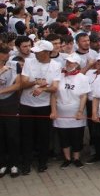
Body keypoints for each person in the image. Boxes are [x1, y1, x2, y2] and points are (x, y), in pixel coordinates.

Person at [19, 40, 61, 174]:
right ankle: (26, 163)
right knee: (26, 135)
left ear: (47, 53)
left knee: (43, 135)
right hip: (26, 104)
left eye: (39, 52)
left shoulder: (55, 65)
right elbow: (23, 83)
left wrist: (43, 89)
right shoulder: (29, 62)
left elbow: (54, 87)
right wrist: (35, 82)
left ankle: (42, 162)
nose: (35, 54)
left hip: (44, 105)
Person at [51, 54, 90, 168]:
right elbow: (53, 94)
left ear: (77, 64)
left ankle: (77, 158)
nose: (68, 64)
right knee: (63, 137)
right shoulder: (59, 76)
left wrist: (80, 111)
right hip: (61, 112)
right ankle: (67, 159)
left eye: (71, 62)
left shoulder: (82, 78)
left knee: (77, 136)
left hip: (76, 111)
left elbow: (83, 96)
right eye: (67, 62)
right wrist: (53, 110)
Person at [0, 45, 22, 177]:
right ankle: (2, 164)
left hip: (10, 103)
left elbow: (18, 84)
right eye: (3, 54)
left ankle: (14, 164)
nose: (6, 56)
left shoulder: (14, 65)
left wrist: (2, 91)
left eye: (7, 54)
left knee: (12, 135)